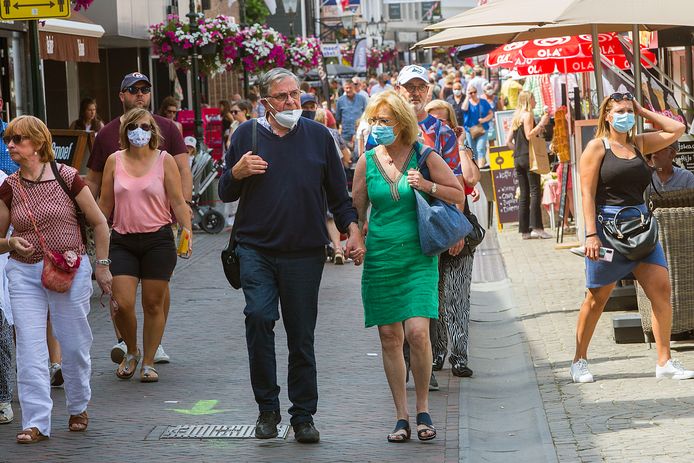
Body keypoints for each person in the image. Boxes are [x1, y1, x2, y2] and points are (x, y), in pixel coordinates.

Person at [218, 68, 365, 444]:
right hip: (255, 249)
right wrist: (236, 172)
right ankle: (267, 409)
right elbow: (225, 192)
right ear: (265, 102)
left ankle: (303, 415)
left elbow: (338, 194)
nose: (291, 102)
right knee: (259, 318)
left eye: (295, 94)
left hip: (304, 252)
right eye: (282, 96)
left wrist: (352, 229)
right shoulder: (246, 135)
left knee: (301, 335)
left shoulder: (318, 137)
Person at [352, 91, 465, 443]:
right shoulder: (367, 160)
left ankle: (423, 408)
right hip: (382, 257)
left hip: (418, 256)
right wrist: (355, 236)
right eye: (374, 121)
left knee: (417, 332)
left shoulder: (423, 154)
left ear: (402, 123)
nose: (378, 127)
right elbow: (355, 208)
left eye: (384, 121)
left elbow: (458, 193)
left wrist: (426, 184)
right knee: (389, 337)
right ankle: (400, 415)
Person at [0, 115, 111, 443]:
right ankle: (36, 422)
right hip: (24, 272)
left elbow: (99, 223)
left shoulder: (67, 177)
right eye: (9, 139)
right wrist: (9, 243)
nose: (10, 146)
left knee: (74, 344)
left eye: (17, 139)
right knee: (31, 348)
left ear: (37, 142)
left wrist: (102, 266)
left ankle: (78, 405)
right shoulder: (9, 186)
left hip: (69, 270)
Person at [571, 92, 693, 383]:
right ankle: (579, 359)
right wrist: (590, 235)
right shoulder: (597, 147)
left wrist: (642, 110)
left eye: (629, 110)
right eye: (620, 111)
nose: (625, 115)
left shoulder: (639, 143)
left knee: (661, 290)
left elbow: (677, 129)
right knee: (596, 298)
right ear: (608, 116)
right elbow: (587, 193)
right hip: (607, 230)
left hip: (641, 227)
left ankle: (664, 361)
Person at [86, 73, 191, 366]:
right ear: (122, 95)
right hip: (122, 233)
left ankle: (149, 352)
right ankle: (128, 344)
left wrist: (185, 224)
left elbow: (183, 174)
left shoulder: (167, 129)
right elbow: (95, 184)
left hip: (158, 230)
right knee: (123, 300)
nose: (140, 94)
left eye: (145, 89)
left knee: (155, 298)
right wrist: (89, 221)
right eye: (133, 90)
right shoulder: (106, 136)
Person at [396, 64, 479, 390]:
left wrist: (455, 228)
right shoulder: (386, 128)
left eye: (420, 87)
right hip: (399, 227)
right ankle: (408, 365)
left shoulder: (442, 132)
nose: (415, 93)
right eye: (409, 87)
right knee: (405, 299)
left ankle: (425, 366)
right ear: (398, 89)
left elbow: (456, 181)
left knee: (430, 297)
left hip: (431, 225)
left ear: (429, 91)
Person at [505, 91, 552, 240]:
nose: (535, 102)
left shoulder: (516, 117)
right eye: (534, 99)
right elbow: (529, 135)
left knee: (524, 194)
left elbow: (508, 142)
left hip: (518, 158)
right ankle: (537, 228)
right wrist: (542, 123)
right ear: (529, 100)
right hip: (529, 158)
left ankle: (524, 231)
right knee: (535, 191)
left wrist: (518, 151)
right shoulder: (528, 115)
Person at [315, 108, 351, 264]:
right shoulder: (333, 133)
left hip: (314, 180)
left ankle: (321, 247)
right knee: (330, 214)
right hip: (333, 178)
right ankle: (337, 247)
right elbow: (346, 156)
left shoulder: (305, 134)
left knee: (319, 212)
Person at [462, 83, 494, 167]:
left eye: (474, 92)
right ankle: (476, 168)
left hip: (482, 128)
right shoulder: (467, 102)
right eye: (470, 93)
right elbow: (464, 108)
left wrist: (484, 120)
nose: (473, 94)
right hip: (469, 130)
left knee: (480, 148)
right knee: (473, 151)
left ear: (477, 92)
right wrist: (467, 97)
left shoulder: (483, 102)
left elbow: (491, 114)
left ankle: (481, 167)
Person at [335, 80, 368, 153]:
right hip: (345, 132)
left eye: (350, 88)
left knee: (358, 154)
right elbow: (338, 118)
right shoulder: (340, 101)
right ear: (344, 88)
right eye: (346, 88)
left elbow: (366, 114)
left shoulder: (362, 99)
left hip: (358, 131)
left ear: (354, 88)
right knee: (346, 155)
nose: (348, 90)